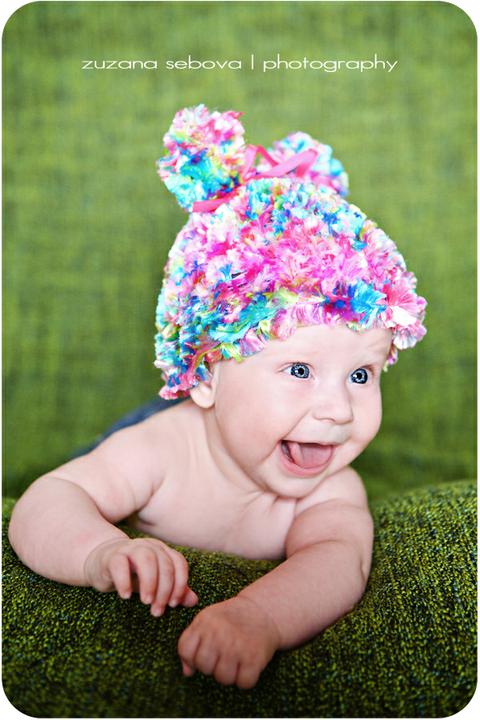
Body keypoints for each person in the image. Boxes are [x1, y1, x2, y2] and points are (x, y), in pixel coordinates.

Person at [8, 104, 427, 690]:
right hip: (173, 422)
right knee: (101, 460)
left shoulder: (331, 488)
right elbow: (47, 500)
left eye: (361, 376)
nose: (338, 410)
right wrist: (100, 551)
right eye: (300, 369)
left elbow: (338, 562)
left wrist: (259, 617)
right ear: (206, 375)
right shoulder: (163, 450)